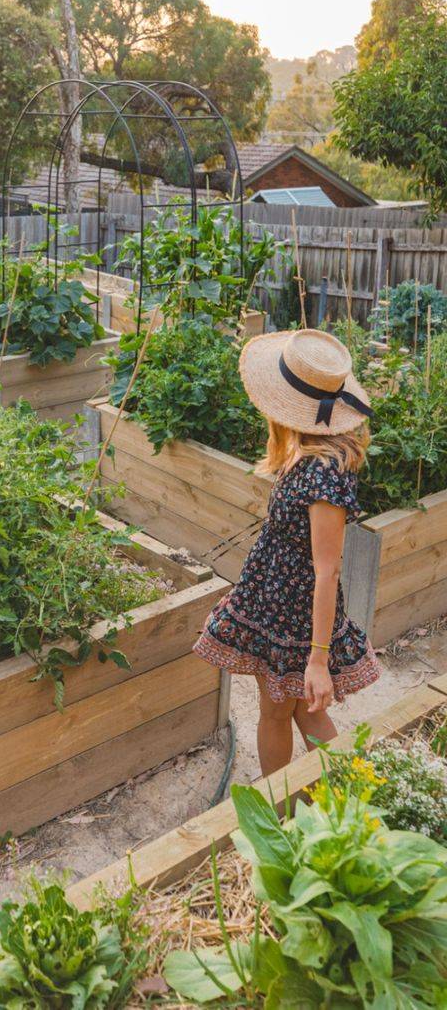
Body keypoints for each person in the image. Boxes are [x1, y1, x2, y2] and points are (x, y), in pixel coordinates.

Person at [193, 328, 380, 776]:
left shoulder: (323, 476)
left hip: (295, 615)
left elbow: (327, 572)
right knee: (283, 710)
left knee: (301, 711)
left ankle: (345, 798)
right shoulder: (308, 452)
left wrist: (318, 660)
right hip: (273, 602)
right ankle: (289, 804)